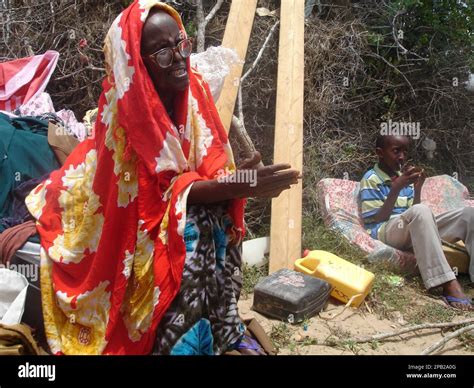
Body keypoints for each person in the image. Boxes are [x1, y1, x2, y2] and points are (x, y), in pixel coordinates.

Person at [25, 0, 300, 355]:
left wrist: (238, 179)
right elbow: (146, 199)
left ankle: (220, 325)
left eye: (181, 44)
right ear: (137, 61)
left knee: (212, 215)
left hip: (166, 204)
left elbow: (210, 161)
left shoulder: (194, 90)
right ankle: (183, 341)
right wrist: (236, 185)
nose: (180, 58)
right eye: (163, 53)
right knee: (193, 224)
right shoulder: (125, 111)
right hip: (117, 216)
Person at [359, 134, 473, 311]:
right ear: (380, 153)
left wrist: (417, 189)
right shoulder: (371, 178)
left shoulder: (403, 177)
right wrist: (395, 189)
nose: (402, 157)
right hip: (386, 231)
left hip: (409, 229)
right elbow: (376, 219)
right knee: (421, 211)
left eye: (405, 151)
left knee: (469, 214)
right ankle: (446, 282)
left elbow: (416, 213)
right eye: (396, 151)